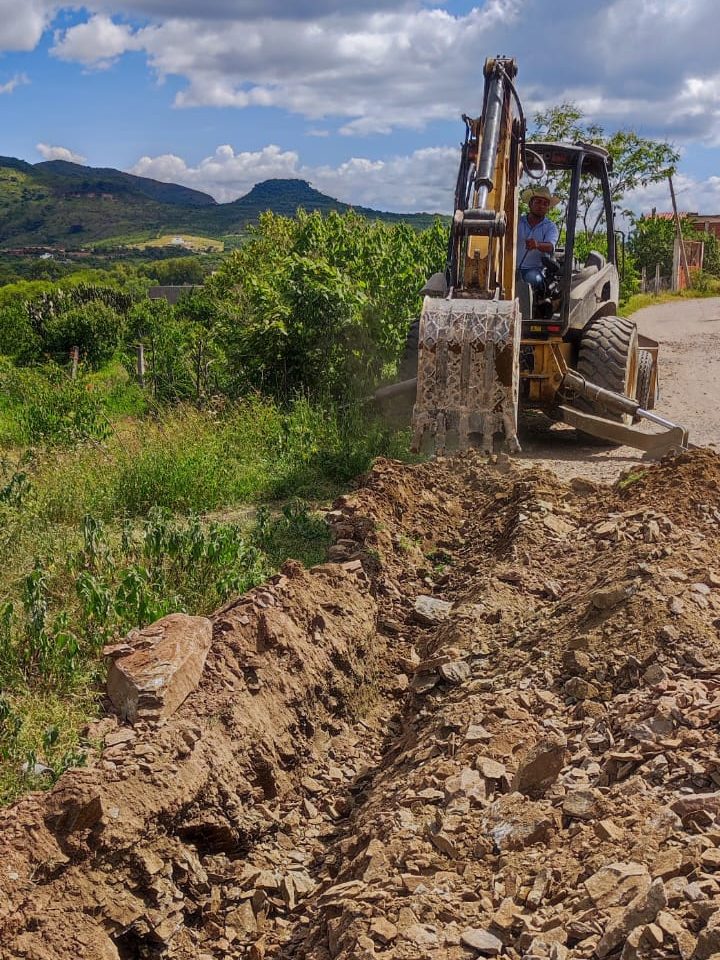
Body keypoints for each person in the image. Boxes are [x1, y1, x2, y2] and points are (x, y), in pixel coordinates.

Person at [517, 185, 560, 294]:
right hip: (510, 268)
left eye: (545, 204)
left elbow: (550, 246)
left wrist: (537, 245)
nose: (541, 206)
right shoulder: (517, 222)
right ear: (530, 204)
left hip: (533, 269)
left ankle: (535, 308)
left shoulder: (550, 227)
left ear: (548, 208)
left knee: (534, 279)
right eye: (538, 202)